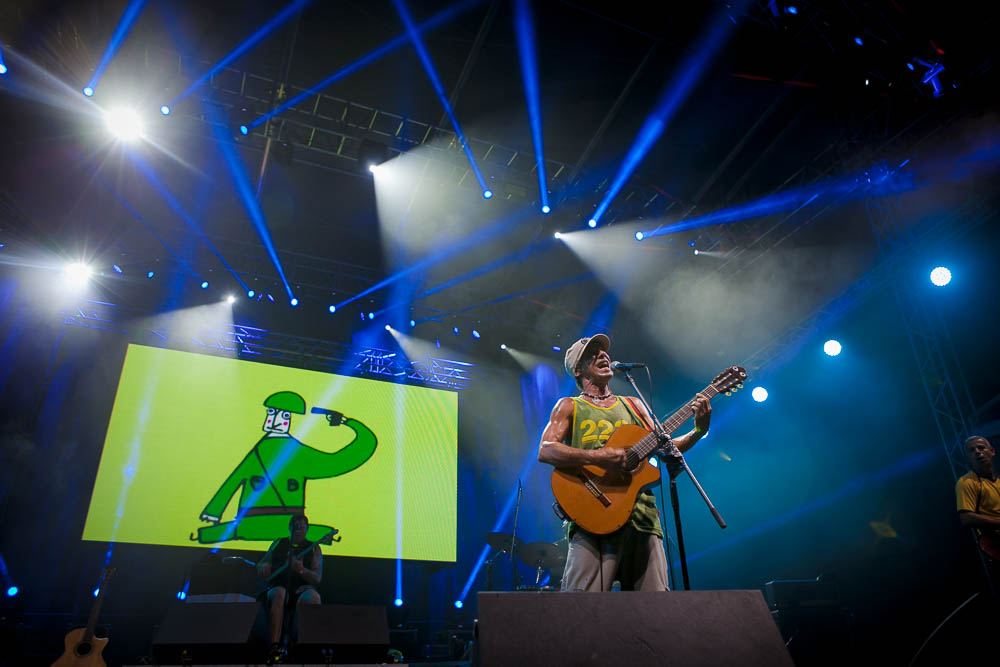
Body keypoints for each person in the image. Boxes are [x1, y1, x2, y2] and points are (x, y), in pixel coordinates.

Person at [537, 334, 711, 591]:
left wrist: (699, 430)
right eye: (592, 354)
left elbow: (666, 448)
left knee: (656, 612)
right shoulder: (568, 405)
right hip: (592, 515)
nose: (603, 355)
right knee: (580, 611)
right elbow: (546, 450)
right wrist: (600, 457)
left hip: (642, 518)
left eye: (604, 352)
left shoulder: (635, 405)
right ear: (578, 369)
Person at [194, 391, 377, 545]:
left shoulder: (297, 453)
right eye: (272, 412)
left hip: (284, 524)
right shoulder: (263, 452)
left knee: (230, 532)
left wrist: (214, 512)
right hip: (257, 522)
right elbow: (235, 479)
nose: (275, 419)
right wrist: (213, 511)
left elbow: (344, 459)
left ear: (290, 420)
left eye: (285, 415)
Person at [257, 513, 323, 664]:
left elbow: (317, 577)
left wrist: (301, 570)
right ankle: (274, 647)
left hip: (301, 589)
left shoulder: (314, 548)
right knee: (279, 592)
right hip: (278, 586)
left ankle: (303, 645)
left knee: (313, 598)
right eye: (295, 526)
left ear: (307, 529)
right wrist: (264, 565)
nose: (298, 529)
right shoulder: (279, 542)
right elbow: (261, 563)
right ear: (289, 528)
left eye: (301, 526)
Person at [956, 435, 1000, 593]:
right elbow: (966, 518)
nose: (977, 452)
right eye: (971, 450)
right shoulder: (966, 482)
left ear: (992, 451)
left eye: (981, 448)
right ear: (967, 458)